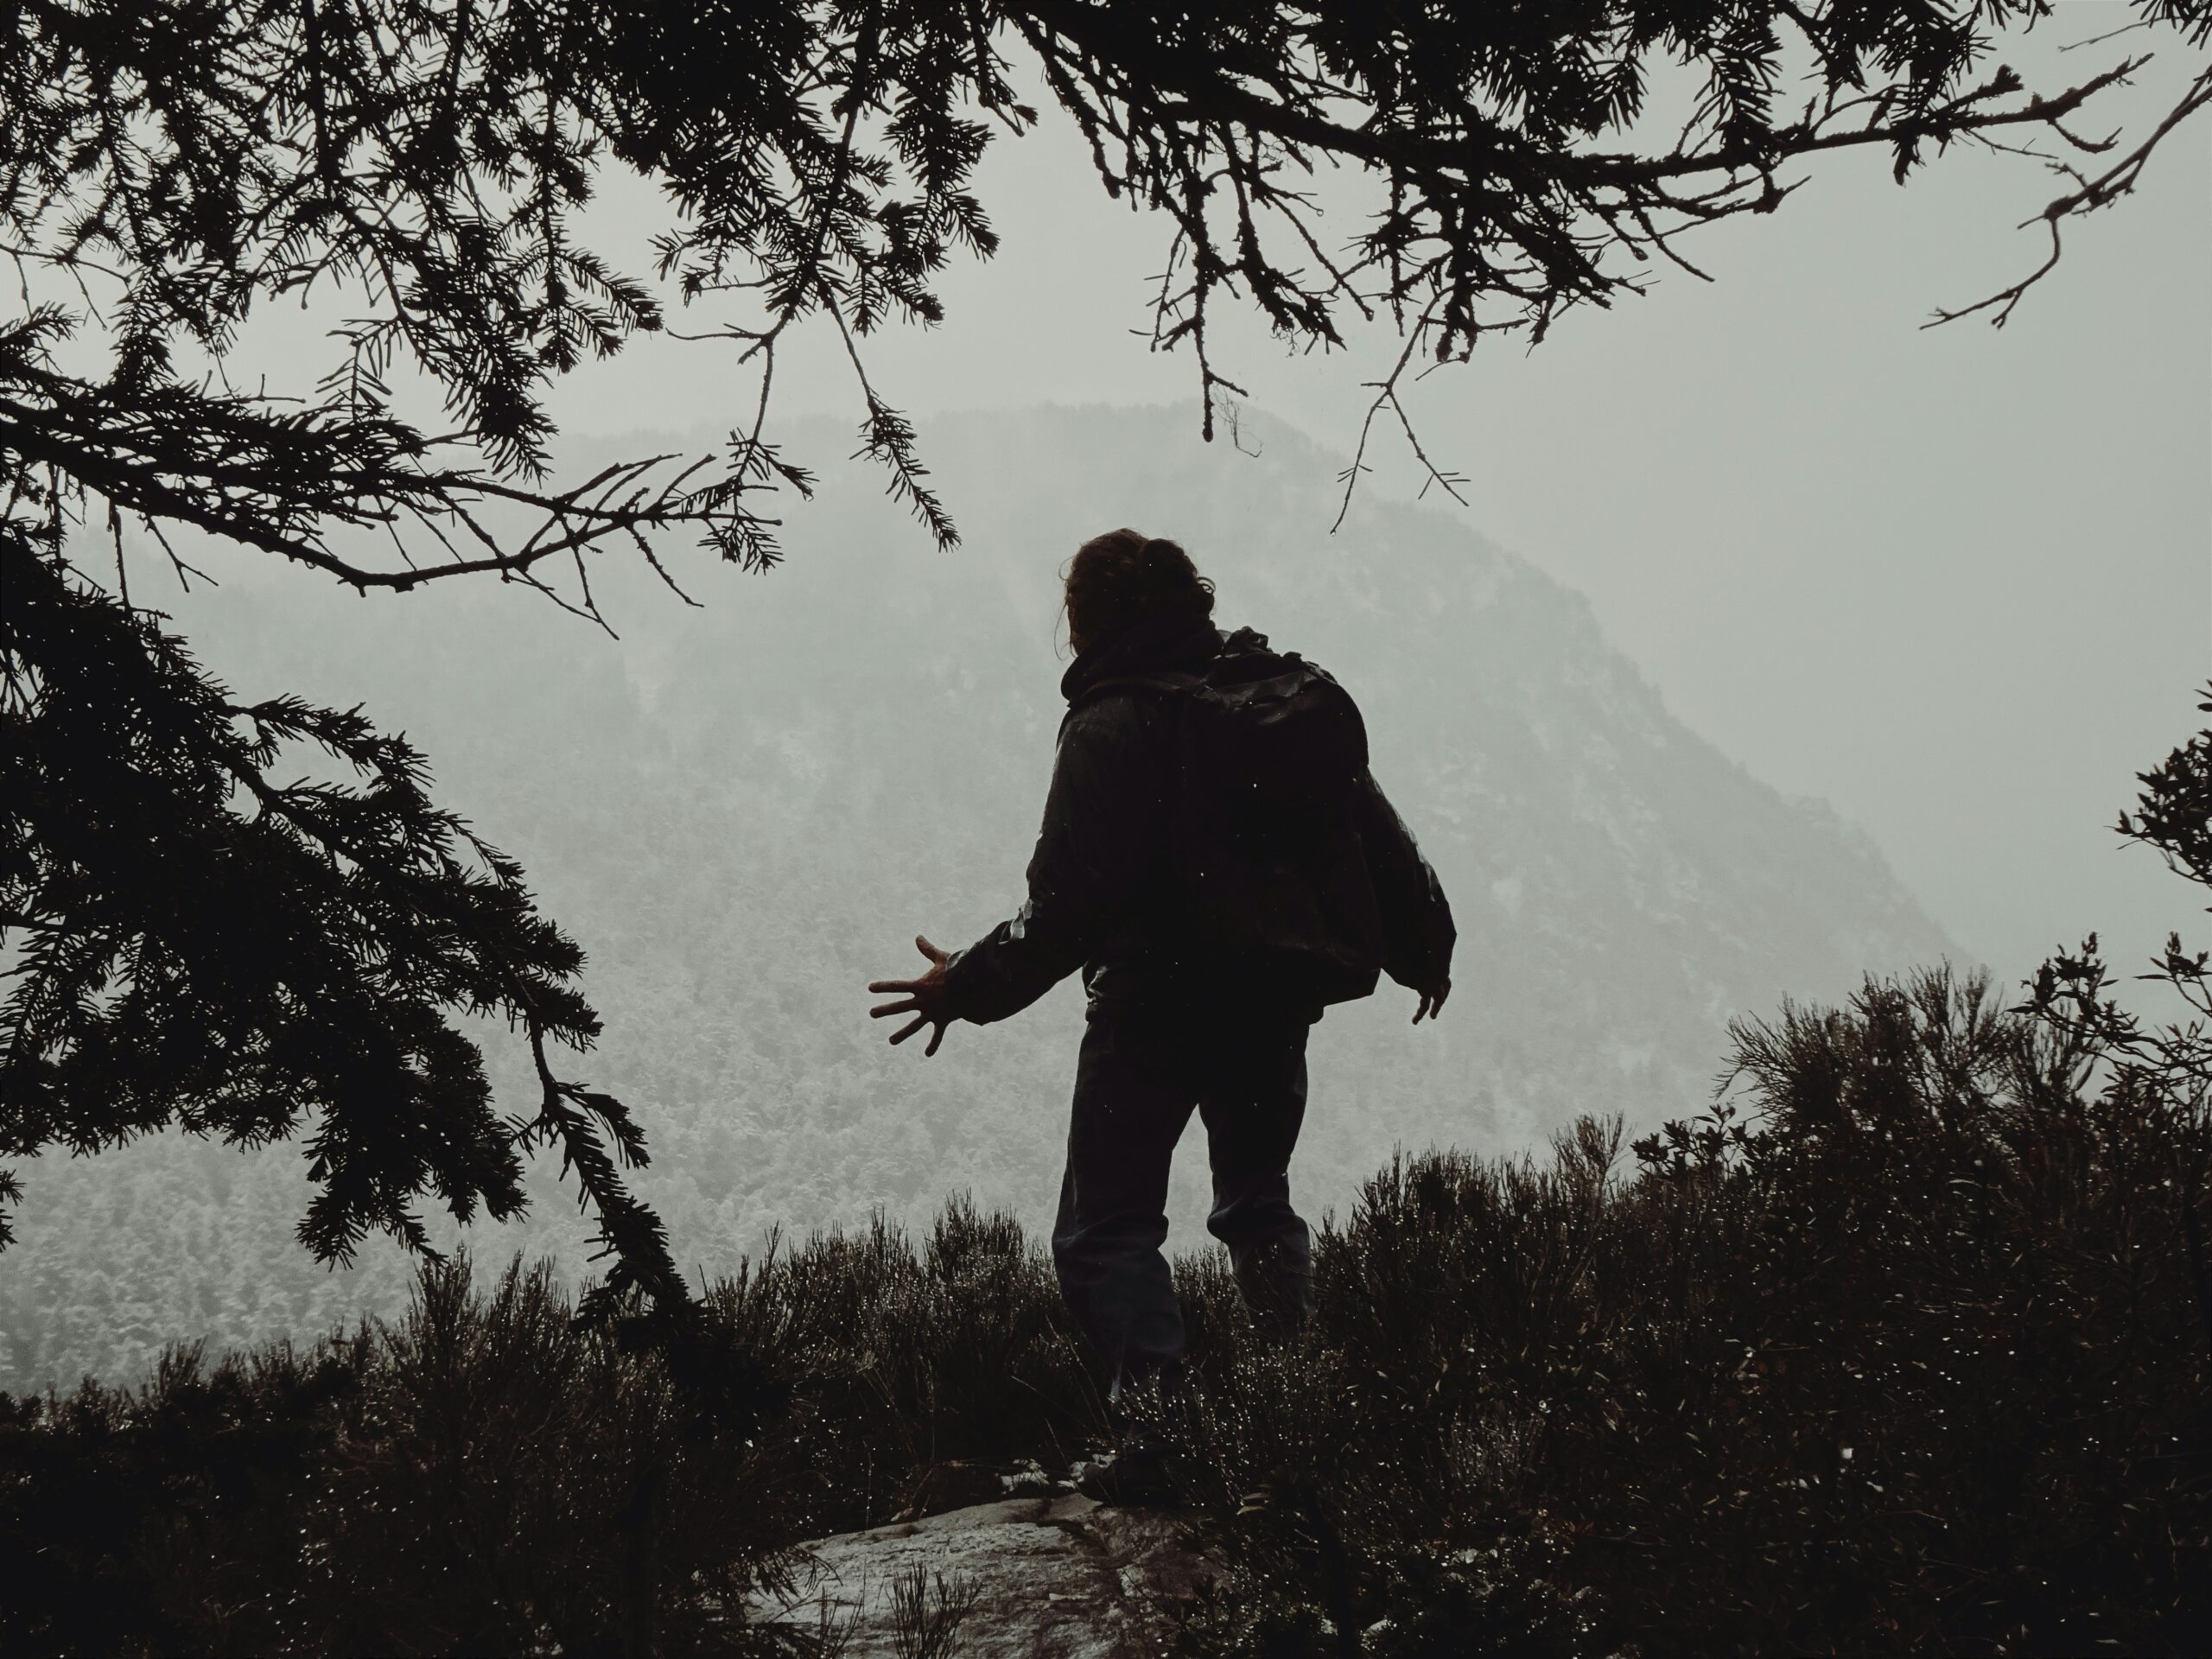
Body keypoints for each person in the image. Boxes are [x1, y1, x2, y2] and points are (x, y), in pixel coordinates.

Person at [867, 528, 1454, 1497]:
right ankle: (1290, 1422)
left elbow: (1065, 908)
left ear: (1087, 619)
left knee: (1106, 1229)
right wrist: (1422, 946)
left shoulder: (1112, 722)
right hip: (1273, 998)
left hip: (1153, 1007)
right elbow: (1371, 826)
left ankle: (1163, 1443)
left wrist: (961, 989)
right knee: (1258, 1205)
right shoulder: (1268, 701)